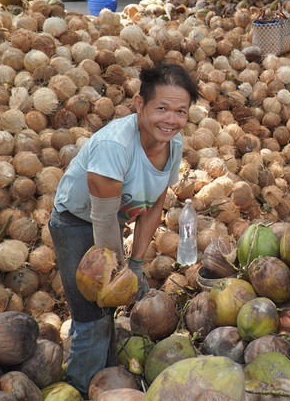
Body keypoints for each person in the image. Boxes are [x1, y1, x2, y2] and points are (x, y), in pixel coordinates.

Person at [48, 63, 200, 396]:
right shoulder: (115, 146)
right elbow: (102, 219)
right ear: (139, 104)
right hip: (76, 222)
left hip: (111, 220)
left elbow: (154, 207)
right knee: (92, 317)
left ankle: (104, 381)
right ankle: (76, 388)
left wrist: (136, 263)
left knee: (107, 310)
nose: (170, 119)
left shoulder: (172, 145)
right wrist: (117, 275)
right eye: (161, 108)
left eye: (180, 112)